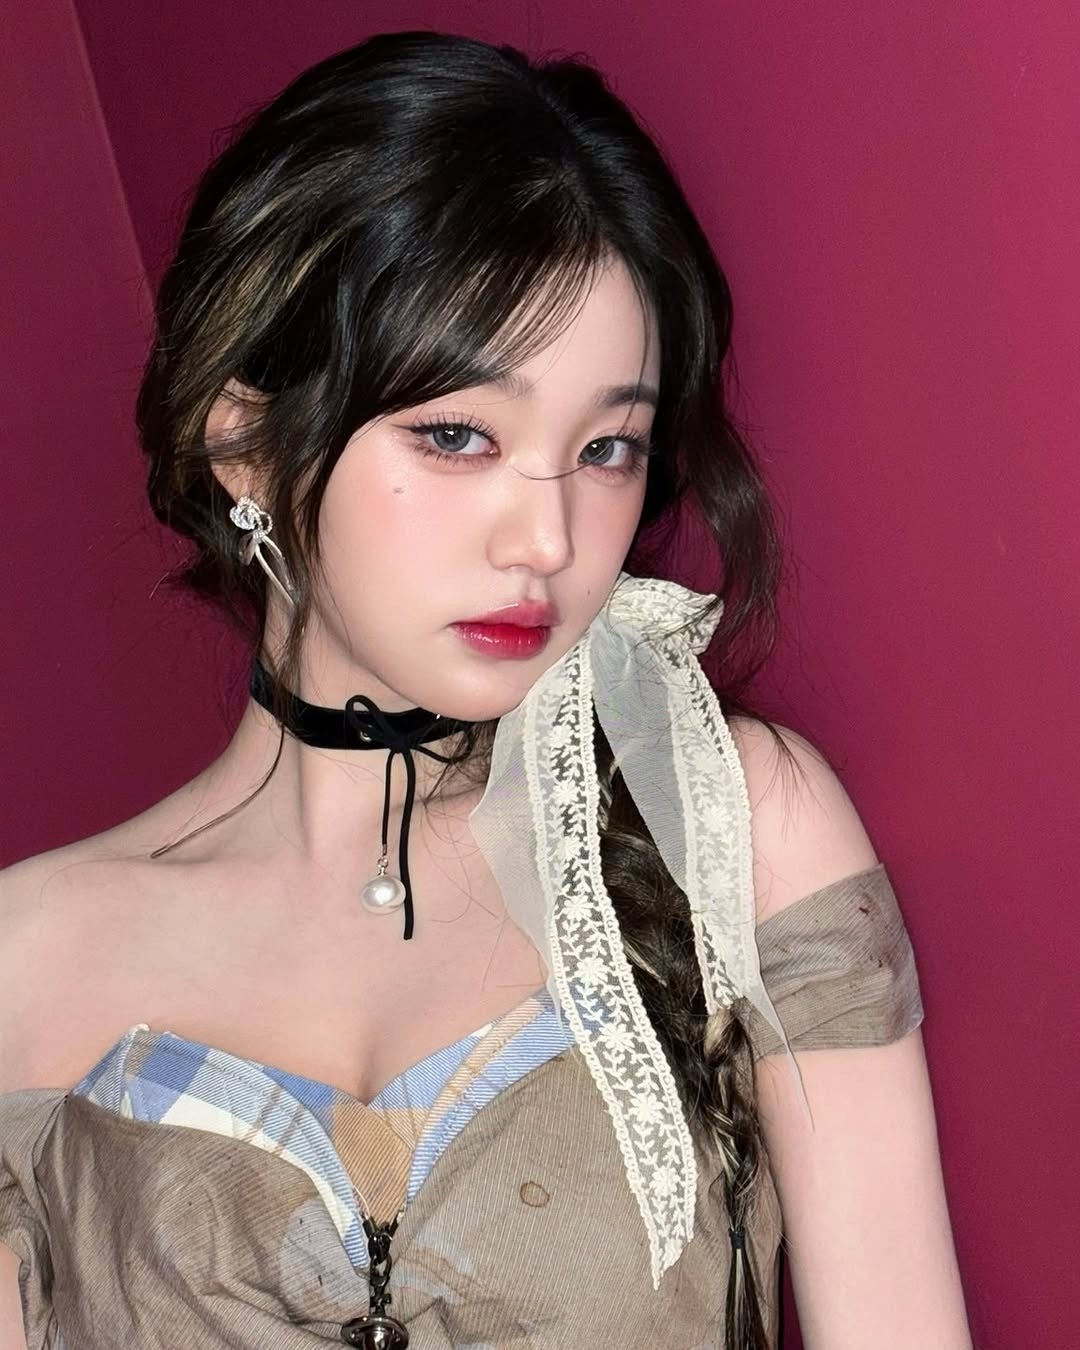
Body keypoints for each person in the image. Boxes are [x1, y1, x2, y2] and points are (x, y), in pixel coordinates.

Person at [0, 31, 972, 1350]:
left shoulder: (730, 818)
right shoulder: (30, 959)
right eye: (458, 434)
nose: (550, 538)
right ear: (245, 443)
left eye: (607, 446)